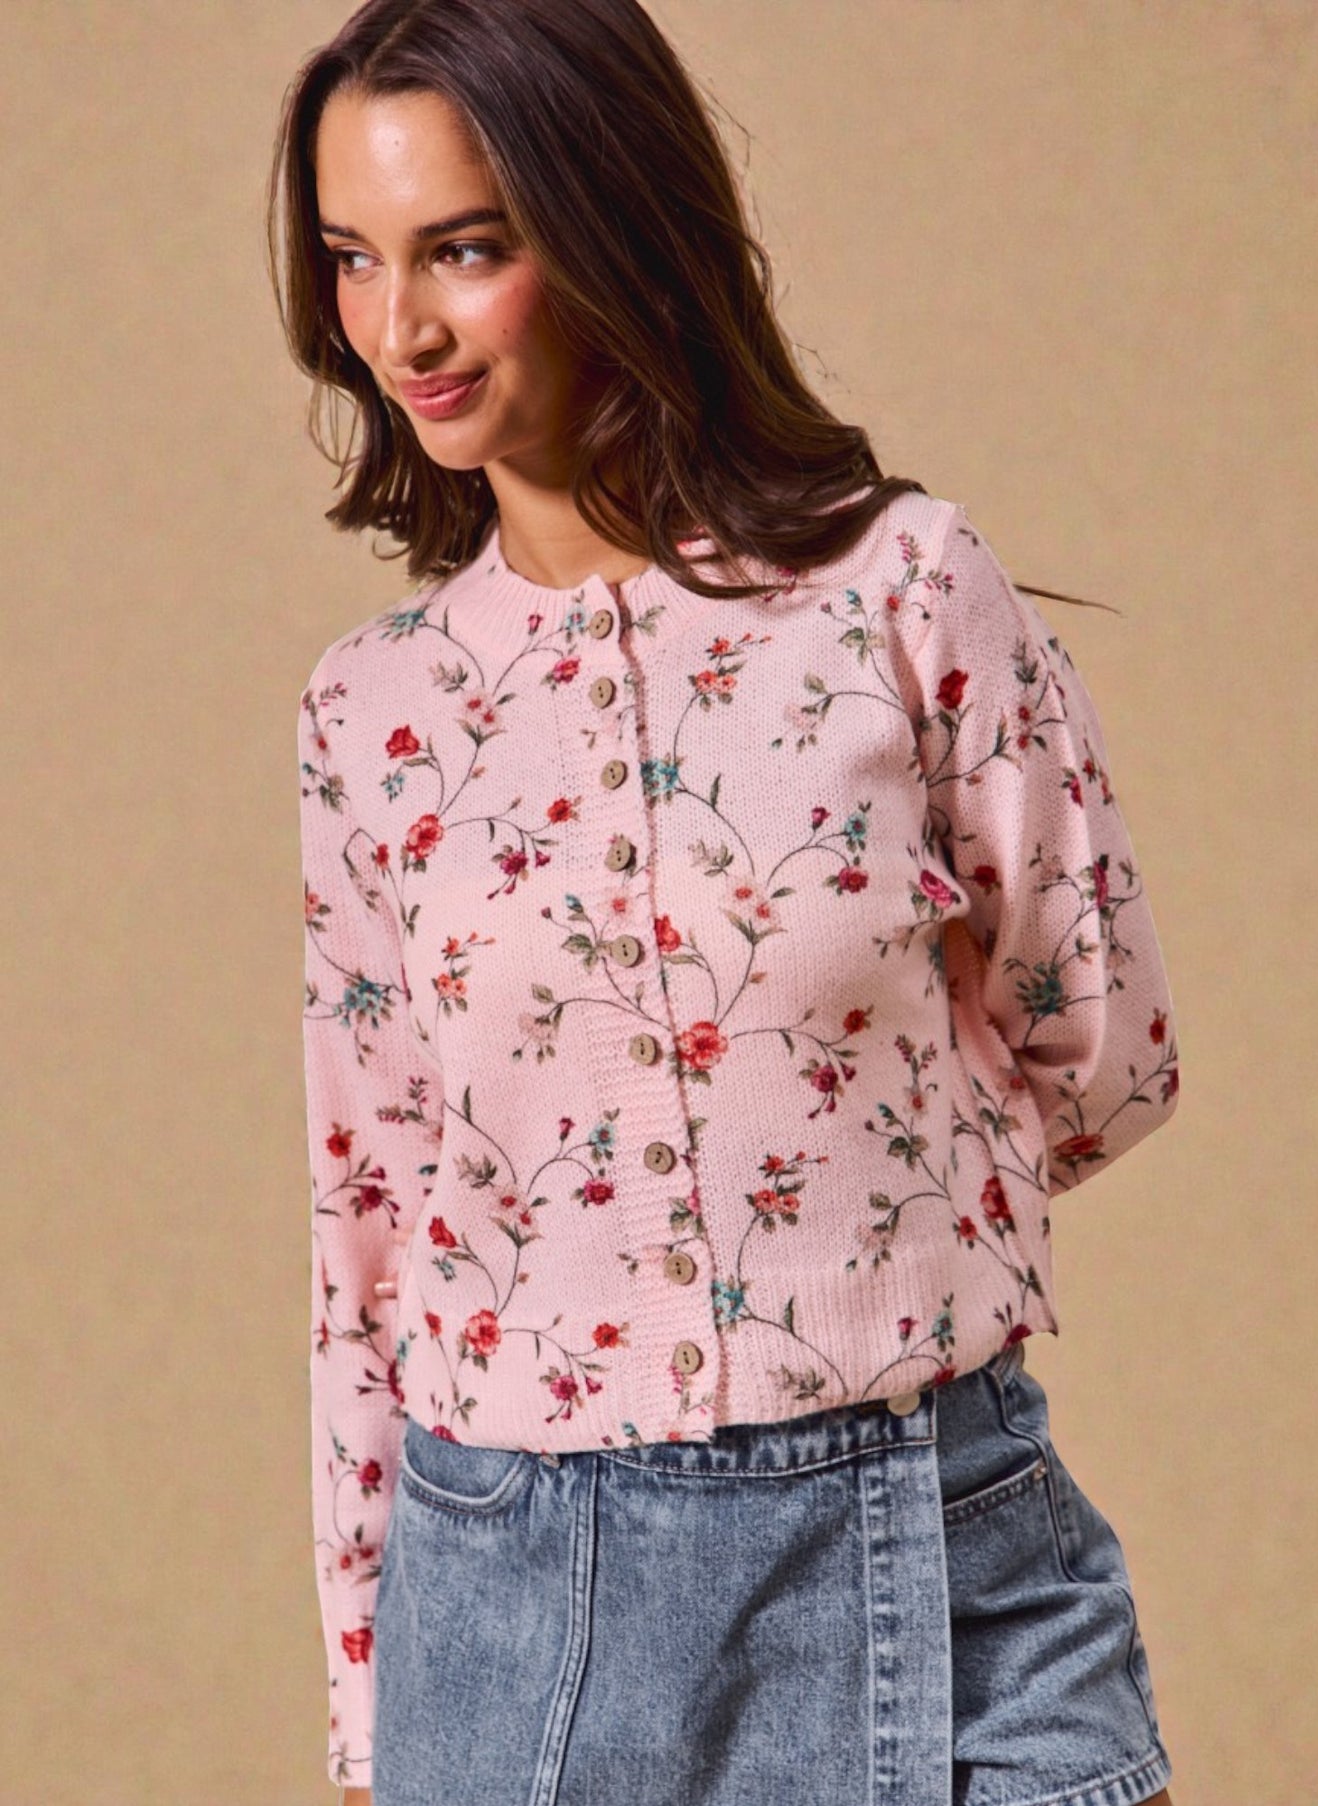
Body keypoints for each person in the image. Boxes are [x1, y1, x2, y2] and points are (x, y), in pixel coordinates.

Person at [268, 3, 1182, 1802]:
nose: (405, 331)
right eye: (354, 262)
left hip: (938, 1527)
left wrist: (857, 1221)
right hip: (516, 1598)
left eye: (467, 248)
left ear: (613, 223)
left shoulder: (900, 592)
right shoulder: (367, 716)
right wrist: (368, 1700)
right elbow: (368, 1217)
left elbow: (1107, 1042)